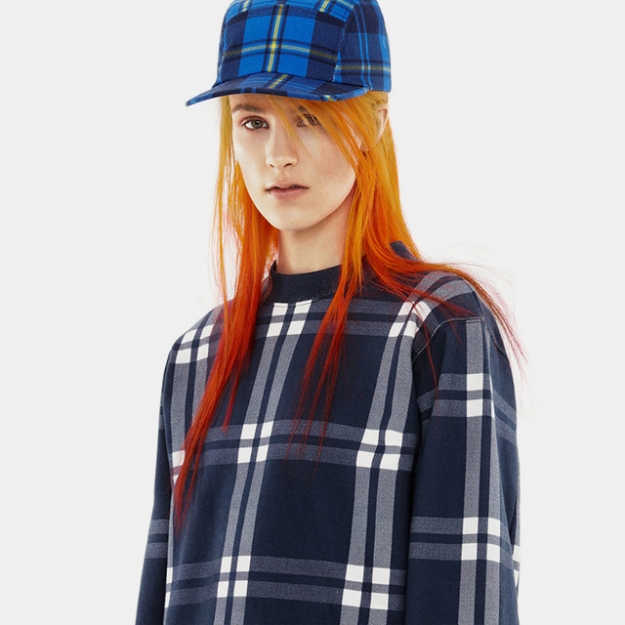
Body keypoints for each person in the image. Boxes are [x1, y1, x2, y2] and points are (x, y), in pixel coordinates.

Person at [136, 1, 521, 623]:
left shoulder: (437, 328)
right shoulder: (196, 355)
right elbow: (166, 590)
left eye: (310, 116)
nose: (278, 154)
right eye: (253, 121)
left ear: (374, 121)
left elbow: (467, 593)